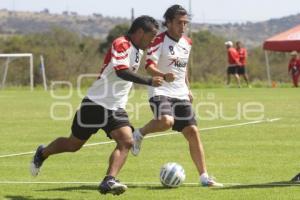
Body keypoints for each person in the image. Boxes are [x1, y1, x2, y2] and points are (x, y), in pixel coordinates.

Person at [30, 15, 163, 196]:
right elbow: (121, 71)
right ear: (140, 32)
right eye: (152, 35)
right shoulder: (121, 43)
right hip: (94, 104)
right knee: (73, 144)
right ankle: (43, 153)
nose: (153, 40)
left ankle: (109, 180)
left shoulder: (139, 50)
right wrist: (149, 81)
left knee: (127, 141)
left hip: (115, 108)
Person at [130, 5, 223, 187]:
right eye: (179, 23)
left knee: (193, 131)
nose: (183, 26)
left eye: (185, 23)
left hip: (180, 92)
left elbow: (183, 68)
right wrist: (163, 75)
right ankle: (139, 134)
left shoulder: (187, 42)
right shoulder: (158, 40)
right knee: (166, 121)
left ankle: (204, 177)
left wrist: (188, 88)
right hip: (160, 90)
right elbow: (148, 65)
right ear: (169, 23)